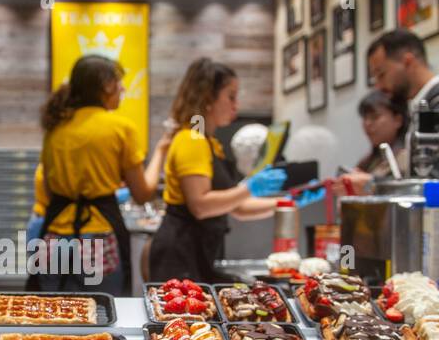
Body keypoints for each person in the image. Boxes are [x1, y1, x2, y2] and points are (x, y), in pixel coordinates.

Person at [32, 55, 168, 294]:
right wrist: (161, 150)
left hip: (55, 236)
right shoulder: (120, 129)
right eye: (119, 82)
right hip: (98, 239)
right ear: (106, 85)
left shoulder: (55, 127)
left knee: (52, 316)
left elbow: (49, 188)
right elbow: (143, 194)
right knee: (103, 315)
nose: (123, 88)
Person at [147, 58, 285, 283]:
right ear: (208, 98)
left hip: (199, 251)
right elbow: (200, 206)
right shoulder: (191, 140)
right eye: (231, 96)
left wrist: (287, 203)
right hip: (178, 254)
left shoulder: (210, 143)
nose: (236, 105)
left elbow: (237, 208)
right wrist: (250, 186)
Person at [365, 28, 439, 177]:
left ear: (408, 62)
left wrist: (374, 187)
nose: (379, 86)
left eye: (381, 74)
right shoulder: (422, 107)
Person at [349, 89, 411, 180]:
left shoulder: (408, 158)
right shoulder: (367, 162)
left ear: (398, 120)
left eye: (375, 117)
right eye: (364, 118)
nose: (367, 124)